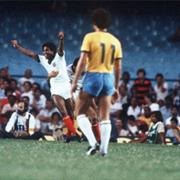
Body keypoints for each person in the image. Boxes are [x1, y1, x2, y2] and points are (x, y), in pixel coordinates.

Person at [11, 31, 81, 141]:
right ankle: (76, 134)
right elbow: (30, 54)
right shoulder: (43, 59)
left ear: (53, 51)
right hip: (55, 89)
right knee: (63, 113)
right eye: (43, 50)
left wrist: (61, 40)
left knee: (71, 114)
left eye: (47, 50)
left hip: (67, 88)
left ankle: (69, 136)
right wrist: (18, 46)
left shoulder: (59, 57)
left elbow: (61, 49)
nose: (45, 52)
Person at [71, 8, 122, 156]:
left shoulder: (90, 37)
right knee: (105, 116)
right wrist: (116, 87)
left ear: (93, 22)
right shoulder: (115, 40)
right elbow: (118, 67)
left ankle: (93, 143)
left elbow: (82, 61)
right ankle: (104, 150)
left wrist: (75, 81)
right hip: (108, 77)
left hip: (93, 76)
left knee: (79, 113)